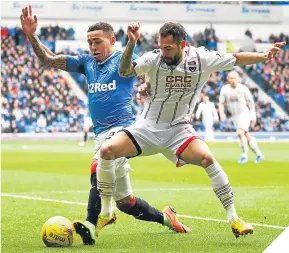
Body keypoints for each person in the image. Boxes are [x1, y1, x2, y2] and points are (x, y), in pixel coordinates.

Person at [95, 21, 286, 238]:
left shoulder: (201, 58)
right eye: (161, 46)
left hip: (179, 130)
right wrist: (131, 43)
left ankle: (234, 219)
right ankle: (107, 211)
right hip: (146, 128)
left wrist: (264, 56)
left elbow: (236, 58)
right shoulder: (154, 58)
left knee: (207, 158)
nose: (163, 52)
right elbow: (124, 70)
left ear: (182, 44)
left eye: (168, 48)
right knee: (106, 151)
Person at [20, 6, 191, 245]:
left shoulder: (124, 60)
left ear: (111, 40)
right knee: (126, 202)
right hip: (101, 133)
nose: (92, 47)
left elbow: (151, 71)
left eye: (97, 42)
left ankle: (90, 223)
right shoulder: (86, 62)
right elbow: (48, 59)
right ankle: (166, 219)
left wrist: (146, 86)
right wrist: (31, 35)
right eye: (89, 42)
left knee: (98, 164)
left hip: (123, 131)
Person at [219, 71, 264, 164]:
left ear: (238, 78)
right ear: (228, 79)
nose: (233, 80)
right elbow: (221, 103)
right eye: (231, 78)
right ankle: (259, 154)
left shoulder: (243, 88)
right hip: (235, 116)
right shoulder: (224, 89)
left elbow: (250, 101)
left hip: (244, 113)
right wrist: (221, 113)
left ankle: (244, 156)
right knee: (246, 136)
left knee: (240, 133)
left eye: (235, 78)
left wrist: (253, 114)